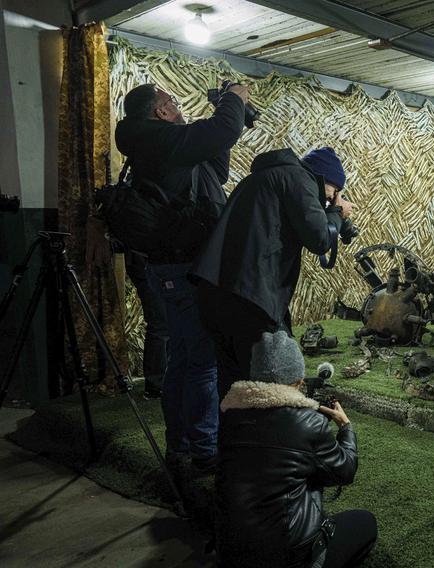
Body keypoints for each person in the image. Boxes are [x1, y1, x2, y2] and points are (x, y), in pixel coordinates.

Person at [115, 82, 249, 473]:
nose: (176, 106)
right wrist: (233, 98)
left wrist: (221, 116)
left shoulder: (157, 145)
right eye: (172, 102)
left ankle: (181, 446)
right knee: (202, 363)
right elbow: (223, 131)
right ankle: (204, 450)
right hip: (186, 267)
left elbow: (216, 169)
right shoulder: (161, 140)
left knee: (183, 359)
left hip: (167, 267)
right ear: (160, 111)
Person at [192, 147, 355, 398]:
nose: (332, 198)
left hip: (217, 291)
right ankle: (261, 434)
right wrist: (336, 213)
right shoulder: (299, 180)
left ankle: (230, 434)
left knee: (231, 383)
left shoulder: (267, 177)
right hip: (248, 297)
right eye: (333, 192)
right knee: (262, 381)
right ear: (325, 180)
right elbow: (320, 238)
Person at [216, 330, 376, 568]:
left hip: (229, 548)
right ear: (298, 381)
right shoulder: (308, 423)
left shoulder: (230, 415)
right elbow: (345, 470)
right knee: (365, 523)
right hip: (286, 556)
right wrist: (345, 427)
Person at [125, 250, 167, 399]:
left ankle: (157, 383)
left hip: (147, 260)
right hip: (145, 260)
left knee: (161, 323)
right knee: (160, 323)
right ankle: (155, 385)